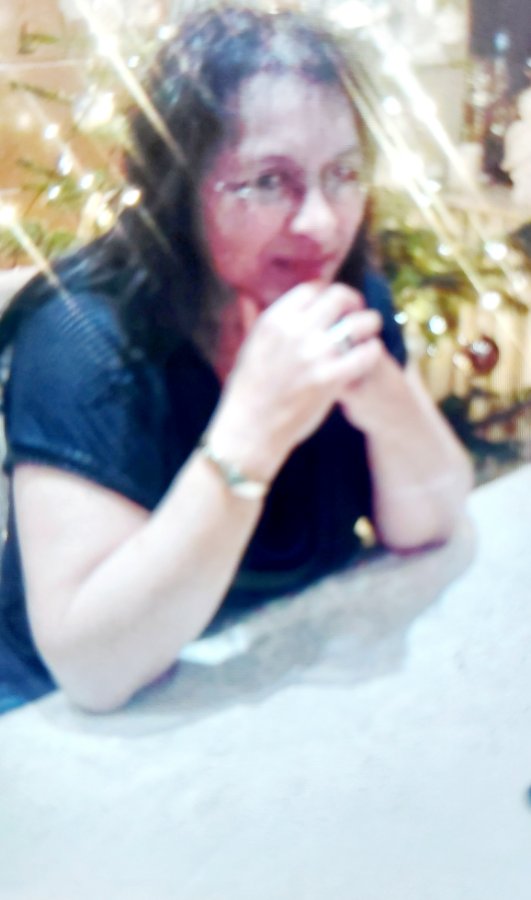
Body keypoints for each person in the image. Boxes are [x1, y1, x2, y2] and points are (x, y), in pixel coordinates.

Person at [0, 5, 472, 714]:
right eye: (268, 181)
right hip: (58, 726)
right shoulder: (83, 338)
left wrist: (380, 392)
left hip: (274, 681)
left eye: (343, 173)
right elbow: (95, 668)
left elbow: (429, 520)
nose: (320, 223)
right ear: (175, 186)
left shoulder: (338, 295)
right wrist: (253, 427)